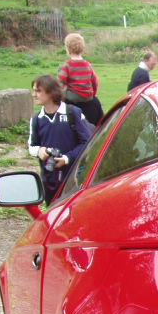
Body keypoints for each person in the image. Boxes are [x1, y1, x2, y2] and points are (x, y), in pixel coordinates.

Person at [28, 74, 92, 205]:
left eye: (38, 91)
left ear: (51, 92)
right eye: (34, 90)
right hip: (49, 179)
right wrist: (40, 151)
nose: (34, 95)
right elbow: (32, 146)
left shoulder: (73, 113)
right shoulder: (37, 120)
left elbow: (87, 143)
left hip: (73, 178)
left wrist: (67, 158)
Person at [58, 32, 103, 126]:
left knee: (64, 89)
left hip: (73, 98)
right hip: (88, 97)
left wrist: (61, 97)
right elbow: (94, 81)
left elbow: (61, 82)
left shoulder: (67, 66)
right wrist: (93, 94)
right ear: (83, 49)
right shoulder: (88, 65)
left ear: (67, 49)